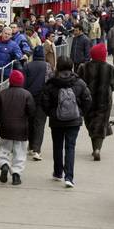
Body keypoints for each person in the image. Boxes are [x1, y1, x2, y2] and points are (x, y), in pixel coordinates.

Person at [41, 57, 92, 188]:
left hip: (56, 120)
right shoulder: (79, 82)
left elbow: (44, 101)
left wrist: (51, 113)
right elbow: (87, 99)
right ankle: (69, 177)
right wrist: (80, 113)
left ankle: (58, 172)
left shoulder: (51, 83)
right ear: (71, 67)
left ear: (57, 67)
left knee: (57, 146)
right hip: (74, 121)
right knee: (70, 147)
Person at [77, 44, 114, 161]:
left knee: (91, 124)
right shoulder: (111, 69)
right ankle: (97, 149)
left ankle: (95, 148)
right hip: (104, 101)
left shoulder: (83, 67)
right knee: (100, 125)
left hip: (87, 101)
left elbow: (78, 83)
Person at [0, 70, 35, 185]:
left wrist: (0, 124)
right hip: (21, 129)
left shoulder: (2, 94)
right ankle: (16, 174)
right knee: (20, 153)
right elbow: (31, 112)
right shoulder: (27, 94)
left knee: (4, 149)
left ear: (10, 81)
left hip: (5, 128)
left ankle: (4, 165)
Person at [23, 46, 53, 161]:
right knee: (39, 124)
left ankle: (30, 146)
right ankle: (37, 150)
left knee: (30, 122)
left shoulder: (27, 66)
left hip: (29, 98)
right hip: (42, 99)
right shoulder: (47, 66)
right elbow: (50, 81)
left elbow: (23, 82)